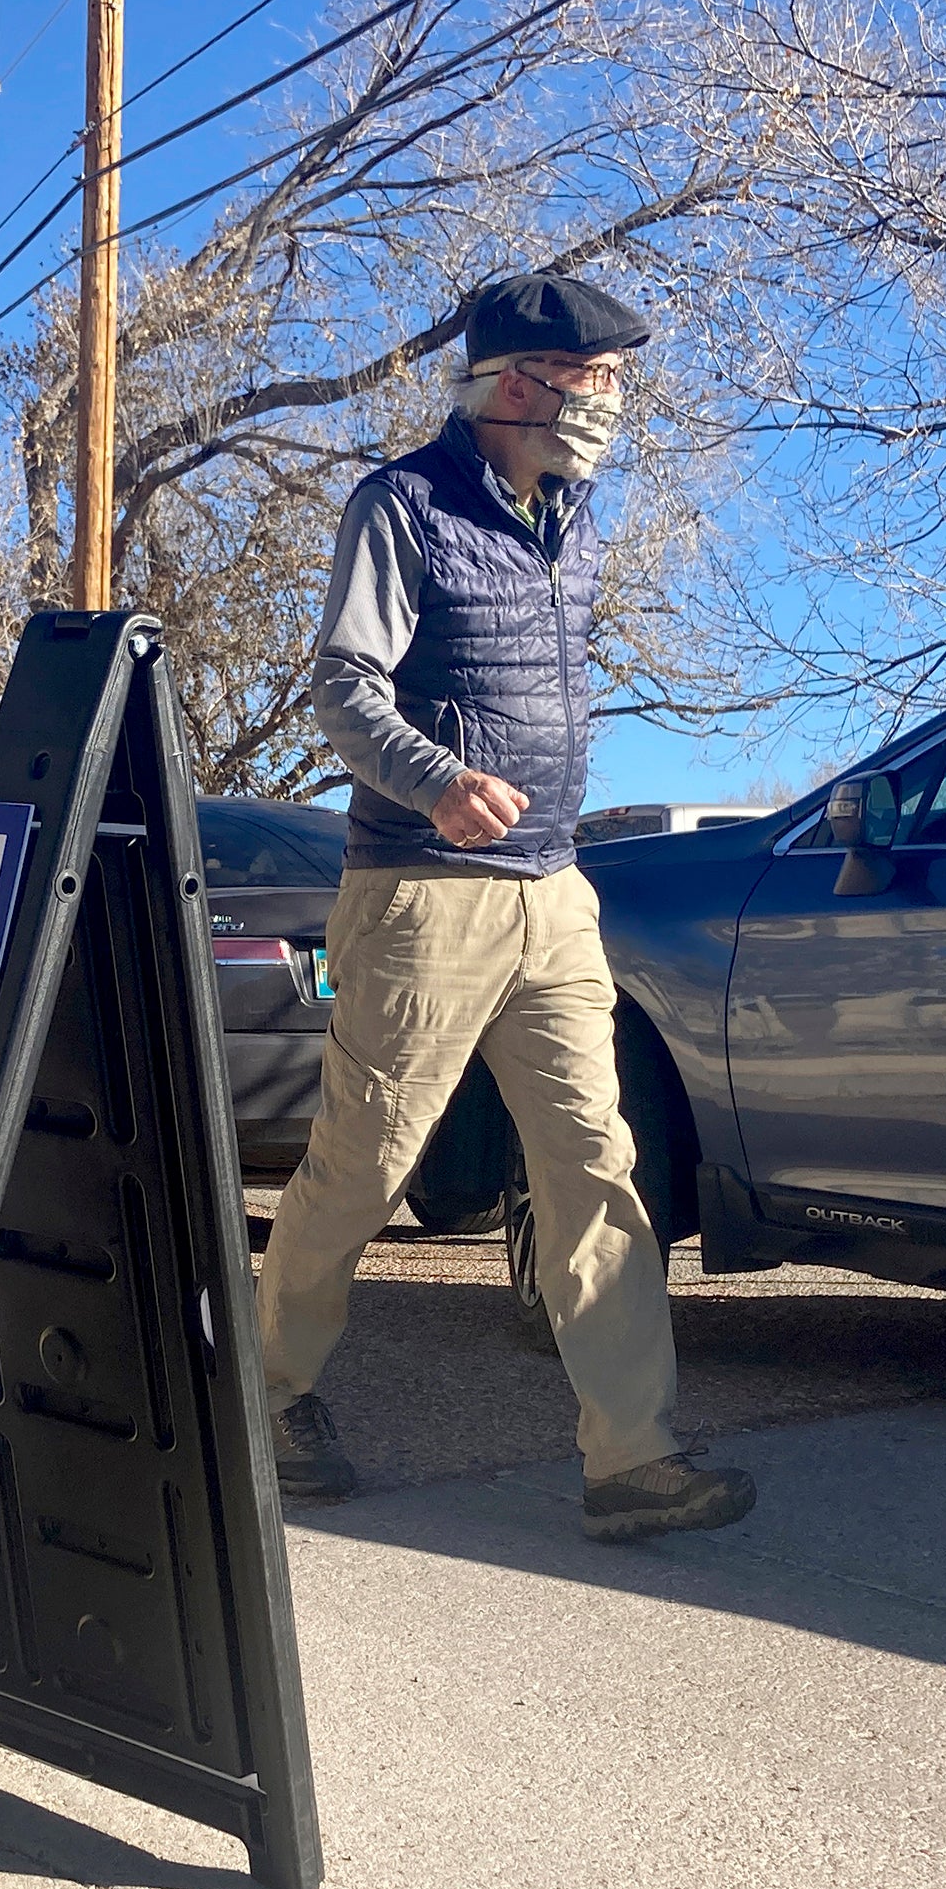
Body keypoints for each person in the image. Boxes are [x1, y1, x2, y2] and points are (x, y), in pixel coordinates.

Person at [256, 271, 756, 1545]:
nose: (611, 404)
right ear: (518, 383)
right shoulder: (404, 505)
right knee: (365, 1165)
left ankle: (633, 1457)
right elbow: (345, 686)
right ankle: (264, 1396)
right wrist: (437, 781)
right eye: (596, 381)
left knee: (597, 1163)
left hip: (555, 892)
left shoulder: (570, 521)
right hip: (424, 896)